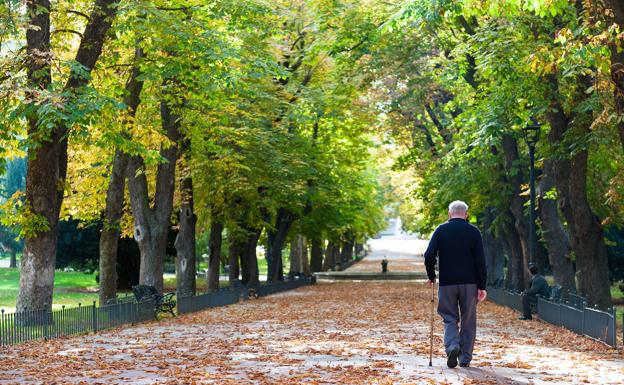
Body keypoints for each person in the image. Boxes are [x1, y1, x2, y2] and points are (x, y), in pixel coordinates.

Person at [424, 200, 487, 369]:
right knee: (468, 320)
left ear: (449, 213)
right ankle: (465, 358)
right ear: (466, 214)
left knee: (449, 317)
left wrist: (431, 276)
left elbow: (429, 255)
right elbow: (480, 261)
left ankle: (452, 346)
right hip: (469, 283)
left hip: (447, 283)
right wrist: (482, 286)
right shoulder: (473, 232)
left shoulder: (441, 230)